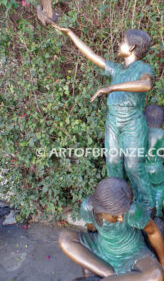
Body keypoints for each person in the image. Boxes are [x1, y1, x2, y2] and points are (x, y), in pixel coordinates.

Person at [47, 24, 155, 211]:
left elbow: (146, 84)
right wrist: (70, 33)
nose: (119, 44)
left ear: (131, 48)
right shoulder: (117, 70)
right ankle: (117, 205)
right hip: (113, 120)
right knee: (112, 162)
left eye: (123, 41)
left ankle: (146, 206)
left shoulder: (143, 68)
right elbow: (91, 55)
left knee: (133, 164)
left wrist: (111, 87)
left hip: (132, 121)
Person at [58, 177, 164, 281]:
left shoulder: (132, 210)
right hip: (101, 247)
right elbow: (91, 229)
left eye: (122, 214)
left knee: (156, 275)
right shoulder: (88, 207)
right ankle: (114, 276)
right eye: (116, 215)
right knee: (65, 238)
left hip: (133, 254)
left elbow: (153, 232)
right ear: (101, 210)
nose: (121, 218)